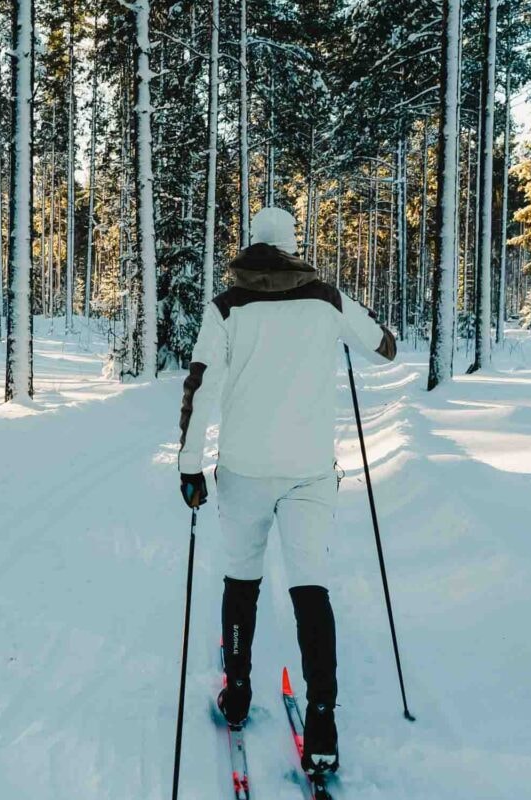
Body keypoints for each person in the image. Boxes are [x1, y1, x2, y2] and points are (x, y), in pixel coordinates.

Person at [177, 206, 397, 777]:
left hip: (244, 472)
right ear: (295, 246)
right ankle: (322, 718)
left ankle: (240, 691)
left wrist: (189, 465)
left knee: (241, 578)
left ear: (251, 246)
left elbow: (200, 388)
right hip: (308, 472)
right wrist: (352, 317)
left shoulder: (225, 307)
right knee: (309, 587)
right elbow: (385, 345)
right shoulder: (325, 300)